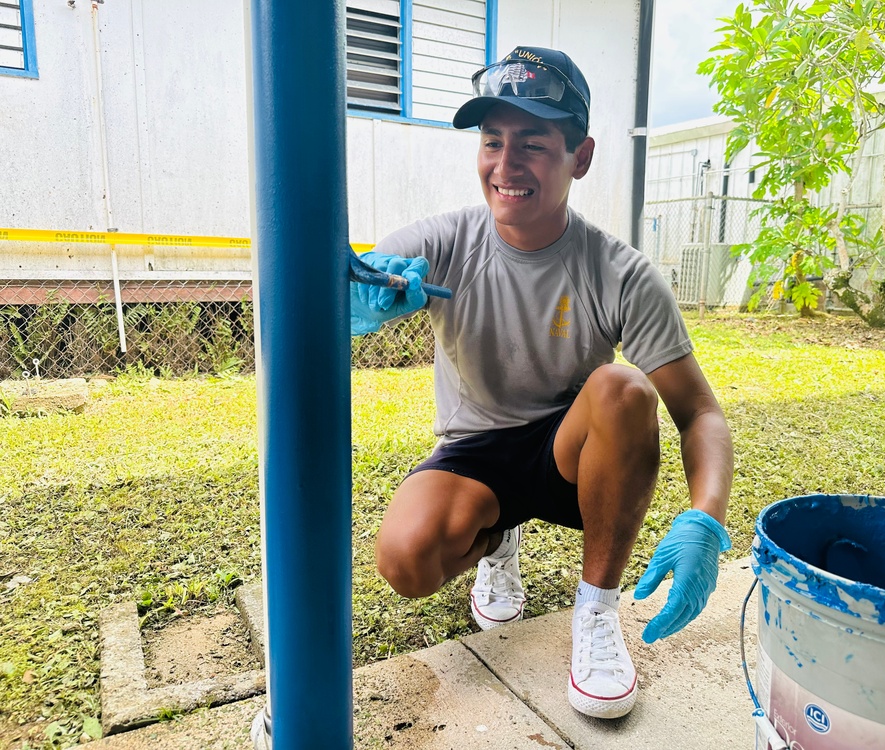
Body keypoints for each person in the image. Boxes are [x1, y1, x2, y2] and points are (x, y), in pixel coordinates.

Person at [253, 46, 733, 746]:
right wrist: (352, 298)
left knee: (624, 388)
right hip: (474, 449)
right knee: (405, 559)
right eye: (492, 142)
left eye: (533, 144)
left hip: (573, 454)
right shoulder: (443, 240)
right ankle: (496, 541)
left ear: (582, 155)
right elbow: (350, 283)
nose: (506, 166)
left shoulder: (620, 272)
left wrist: (706, 521)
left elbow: (699, 412)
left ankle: (596, 614)